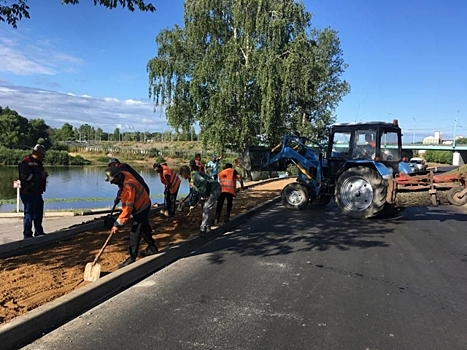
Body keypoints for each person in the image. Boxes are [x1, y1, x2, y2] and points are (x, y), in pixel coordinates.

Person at [105, 166, 159, 268]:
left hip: (141, 206)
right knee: (143, 227)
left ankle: (132, 257)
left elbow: (127, 210)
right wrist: (118, 196)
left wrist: (117, 224)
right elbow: (121, 187)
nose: (111, 183)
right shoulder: (124, 174)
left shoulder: (129, 187)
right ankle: (152, 247)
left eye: (112, 180)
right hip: (143, 201)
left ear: (117, 176)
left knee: (135, 231)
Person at [179, 165, 221, 236]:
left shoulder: (195, 175)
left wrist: (203, 195)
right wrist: (192, 204)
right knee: (206, 208)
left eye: (182, 175)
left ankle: (203, 229)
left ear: (184, 172)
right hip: (210, 191)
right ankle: (207, 227)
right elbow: (195, 193)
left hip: (215, 189)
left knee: (206, 208)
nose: (183, 177)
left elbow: (204, 182)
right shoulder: (192, 179)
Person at [18, 144, 48, 239]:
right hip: (28, 192)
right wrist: (40, 175)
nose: (44, 156)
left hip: (37, 192)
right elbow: (25, 177)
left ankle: (39, 232)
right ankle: (27, 234)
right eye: (43, 154)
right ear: (38, 153)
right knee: (29, 213)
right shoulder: (25, 162)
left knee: (38, 212)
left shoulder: (38, 163)